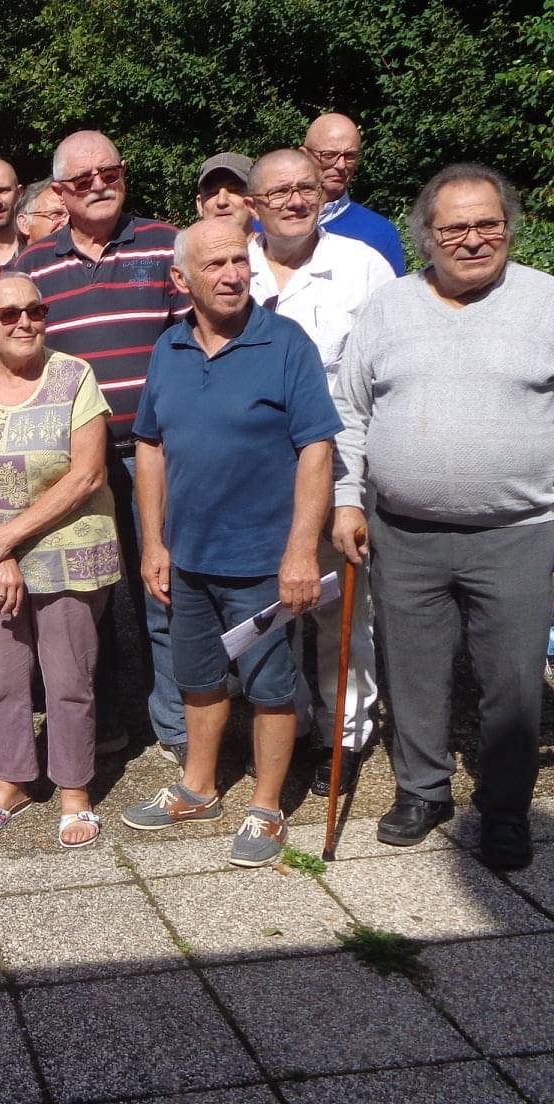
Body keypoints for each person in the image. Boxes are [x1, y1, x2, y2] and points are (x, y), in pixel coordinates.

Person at [333, 164, 554, 869]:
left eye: (487, 223)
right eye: (454, 226)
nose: (472, 238)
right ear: (426, 236)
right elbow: (348, 413)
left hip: (514, 534)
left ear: (508, 228)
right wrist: (345, 498)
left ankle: (505, 809)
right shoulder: (389, 308)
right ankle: (423, 791)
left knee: (512, 680)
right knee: (413, 673)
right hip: (404, 531)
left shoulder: (549, 303)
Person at [120, 220, 340, 868]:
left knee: (272, 685)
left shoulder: (286, 344)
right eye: (213, 264)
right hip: (188, 559)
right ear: (180, 280)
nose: (231, 274)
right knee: (197, 678)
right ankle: (198, 788)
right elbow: (150, 446)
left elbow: (317, 451)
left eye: (238, 260)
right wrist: (153, 542)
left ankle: (267, 808)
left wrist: (302, 551)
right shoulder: (169, 349)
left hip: (263, 561)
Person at [14, 130, 187, 765]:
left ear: (123, 174)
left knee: (163, 588)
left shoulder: (167, 244)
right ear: (58, 192)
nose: (97, 184)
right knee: (84, 601)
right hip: (73, 463)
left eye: (108, 171)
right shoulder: (32, 268)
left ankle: (174, 725)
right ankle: (108, 722)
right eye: (81, 179)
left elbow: (192, 346)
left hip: (155, 454)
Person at [0, 274, 121, 847]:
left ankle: (73, 788)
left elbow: (88, 474)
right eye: (10, 314)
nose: (24, 322)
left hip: (67, 549)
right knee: (0, 676)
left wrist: (6, 538)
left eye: (35, 311)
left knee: (68, 679)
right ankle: (13, 777)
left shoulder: (75, 375)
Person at [246, 149, 395, 795]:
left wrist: (355, 490)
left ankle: (345, 737)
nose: (294, 200)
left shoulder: (364, 270)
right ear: (254, 205)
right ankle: (289, 724)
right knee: (268, 618)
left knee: (340, 618)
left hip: (336, 474)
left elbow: (382, 388)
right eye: (277, 191)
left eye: (305, 187)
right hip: (251, 482)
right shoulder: (232, 266)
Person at [302, 113, 406, 275]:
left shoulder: (379, 233)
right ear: (304, 155)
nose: (341, 165)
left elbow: (393, 298)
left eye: (350, 156)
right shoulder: (267, 224)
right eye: (329, 155)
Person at [195, 153, 255, 234]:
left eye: (234, 190)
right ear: (199, 205)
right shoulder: (183, 246)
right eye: (212, 192)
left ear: (255, 201)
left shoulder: (275, 246)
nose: (221, 201)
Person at [13, 179, 68, 250]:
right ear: (24, 224)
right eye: (57, 215)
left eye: (73, 216)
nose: (67, 222)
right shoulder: (18, 261)